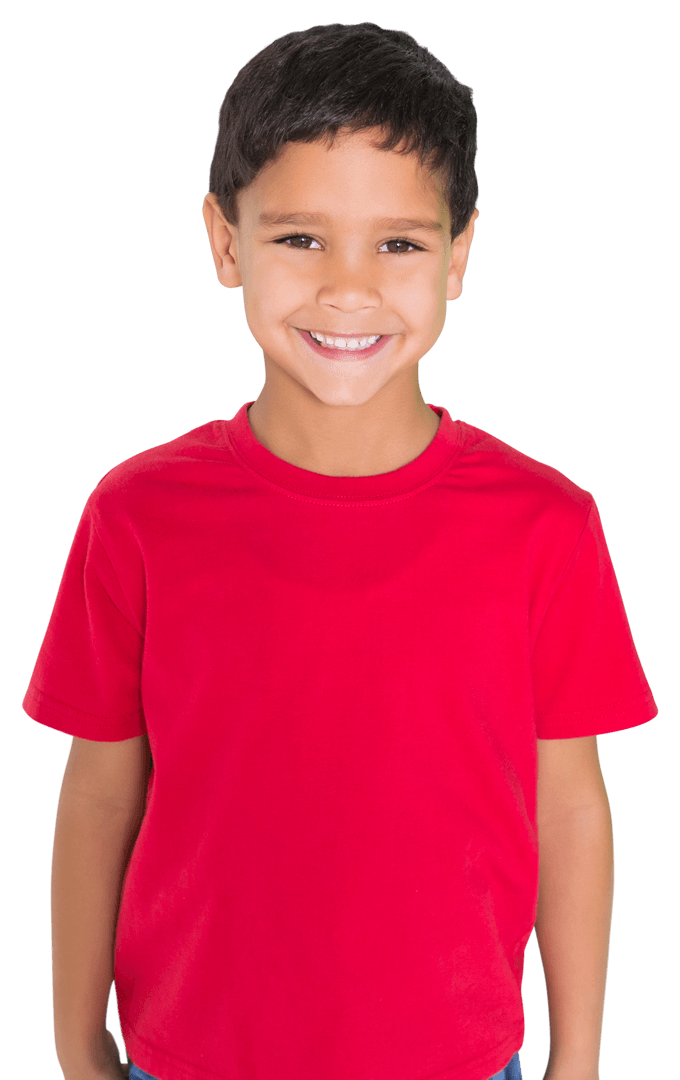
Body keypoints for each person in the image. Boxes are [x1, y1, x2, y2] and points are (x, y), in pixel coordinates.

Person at [23, 21, 657, 1080]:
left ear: (458, 255)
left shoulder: (546, 525)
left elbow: (571, 806)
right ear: (227, 242)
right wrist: (76, 1043)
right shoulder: (136, 515)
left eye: (398, 244)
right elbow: (98, 794)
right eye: (300, 238)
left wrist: (579, 1059)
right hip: (192, 1059)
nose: (348, 289)